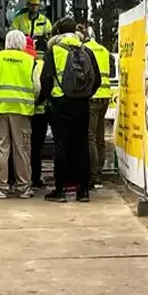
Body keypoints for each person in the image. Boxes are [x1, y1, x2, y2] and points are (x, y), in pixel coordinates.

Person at [38, 18, 100, 203]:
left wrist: (51, 98)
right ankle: (83, 191)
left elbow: (45, 79)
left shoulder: (54, 50)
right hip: (82, 103)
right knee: (81, 146)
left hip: (60, 103)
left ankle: (59, 190)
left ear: (58, 31)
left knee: (61, 147)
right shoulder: (85, 49)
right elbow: (96, 79)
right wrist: (85, 94)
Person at [0, 29, 36, 198]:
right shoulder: (29, 60)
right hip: (22, 110)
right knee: (22, 149)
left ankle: (0, 188)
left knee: (1, 148)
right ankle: (24, 187)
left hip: (0, 108)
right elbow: (37, 86)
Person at [83, 25, 113, 187]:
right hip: (105, 97)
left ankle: (93, 174)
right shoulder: (103, 49)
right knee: (100, 136)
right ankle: (99, 169)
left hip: (93, 97)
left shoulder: (85, 49)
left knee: (90, 137)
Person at [30, 55, 49, 190]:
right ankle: (35, 178)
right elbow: (43, 87)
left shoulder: (28, 63)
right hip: (41, 112)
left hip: (25, 110)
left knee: (22, 147)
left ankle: (19, 178)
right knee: (37, 148)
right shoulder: (43, 64)